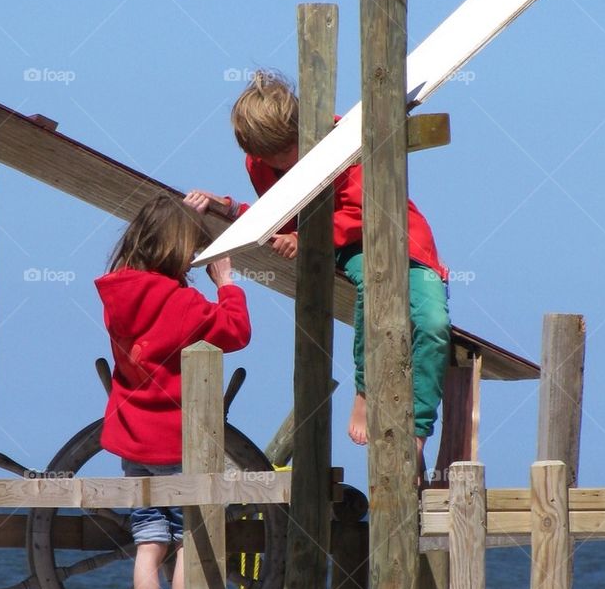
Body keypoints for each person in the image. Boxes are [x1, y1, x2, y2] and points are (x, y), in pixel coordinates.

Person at [184, 70, 450, 468]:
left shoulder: (346, 141)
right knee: (370, 287)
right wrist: (229, 208)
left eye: (283, 152)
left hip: (396, 238)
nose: (277, 163)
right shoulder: (260, 161)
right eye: (267, 158)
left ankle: (417, 431)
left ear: (299, 130)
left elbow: (369, 210)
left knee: (432, 324)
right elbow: (281, 217)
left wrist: (306, 239)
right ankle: (366, 390)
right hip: (341, 250)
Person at [96, 194, 251, 589]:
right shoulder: (184, 304)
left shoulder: (117, 294)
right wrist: (226, 283)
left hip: (133, 441)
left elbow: (155, 302)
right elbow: (236, 331)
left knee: (149, 543)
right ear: (175, 250)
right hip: (178, 441)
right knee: (188, 540)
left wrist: (176, 218)